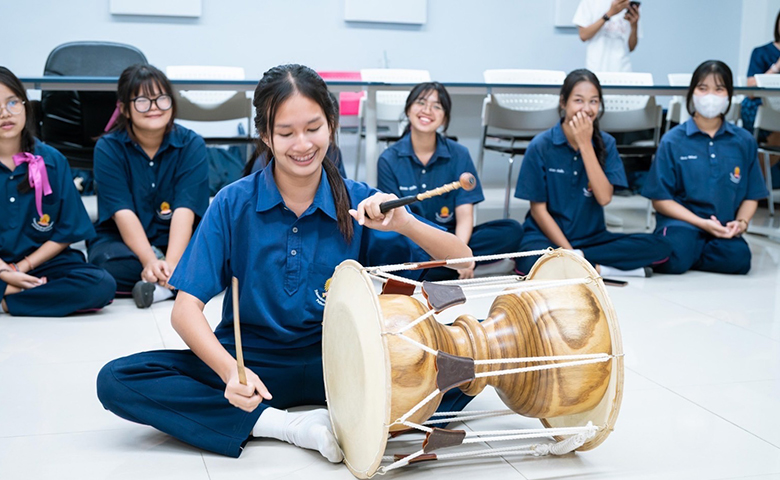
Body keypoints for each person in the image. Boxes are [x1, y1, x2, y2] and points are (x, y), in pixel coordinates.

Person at [96, 64, 474, 462]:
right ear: (264, 135)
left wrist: (405, 223)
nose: (302, 144)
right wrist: (229, 372)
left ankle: (339, 416)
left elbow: (462, 261)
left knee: (466, 366)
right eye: (286, 132)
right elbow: (185, 311)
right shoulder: (232, 202)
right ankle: (286, 425)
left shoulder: (360, 202)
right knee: (118, 380)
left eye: (313, 128)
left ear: (331, 123)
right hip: (254, 364)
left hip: (341, 360)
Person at [514, 69, 671, 277]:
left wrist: (585, 145)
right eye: (579, 100)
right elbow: (538, 211)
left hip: (591, 239)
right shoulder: (541, 145)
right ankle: (596, 269)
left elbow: (604, 197)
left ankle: (577, 267)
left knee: (660, 245)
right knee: (530, 262)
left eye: (594, 102)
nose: (587, 109)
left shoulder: (606, 143)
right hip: (547, 237)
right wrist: (568, 251)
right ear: (563, 102)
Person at [87, 65, 209, 308]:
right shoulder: (108, 148)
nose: (154, 107)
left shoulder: (191, 143)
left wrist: (171, 262)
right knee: (105, 265)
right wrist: (150, 260)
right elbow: (123, 213)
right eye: (142, 100)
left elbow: (185, 209)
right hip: (125, 243)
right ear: (124, 108)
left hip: (177, 241)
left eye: (162, 99)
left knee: (222, 258)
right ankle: (174, 283)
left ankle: (160, 285)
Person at [377, 82, 523, 280]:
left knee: (511, 231)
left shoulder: (459, 154)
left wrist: (457, 256)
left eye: (437, 106)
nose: (427, 110)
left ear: (445, 118)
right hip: (411, 237)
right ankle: (453, 267)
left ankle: (438, 268)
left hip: (450, 238)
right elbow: (394, 222)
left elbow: (465, 215)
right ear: (408, 108)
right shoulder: (389, 159)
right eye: (421, 102)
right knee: (386, 248)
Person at [0, 66, 115, 316]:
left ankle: (9, 297)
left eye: (12, 103)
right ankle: (19, 290)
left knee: (101, 284)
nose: (4, 114)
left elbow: (66, 232)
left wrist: (20, 270)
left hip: (41, 262)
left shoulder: (52, 160)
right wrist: (4, 272)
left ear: (25, 106)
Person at [642, 61, 768, 275]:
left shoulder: (743, 140)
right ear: (692, 93)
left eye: (719, 89)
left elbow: (752, 195)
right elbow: (661, 200)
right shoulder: (672, 140)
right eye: (703, 88)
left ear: (729, 95)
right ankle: (687, 250)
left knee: (740, 260)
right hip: (681, 223)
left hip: (722, 226)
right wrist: (701, 223)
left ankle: (691, 252)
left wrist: (741, 223)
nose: (710, 95)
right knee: (674, 259)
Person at [740, 9, 780, 187]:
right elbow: (750, 89)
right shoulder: (762, 52)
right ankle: (755, 186)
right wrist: (775, 68)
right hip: (761, 109)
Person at [573, 0, 641, 72]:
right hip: (596, 67)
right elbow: (583, 35)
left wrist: (634, 25)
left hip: (622, 68)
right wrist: (609, 14)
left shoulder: (629, 3)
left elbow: (631, 47)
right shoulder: (590, 2)